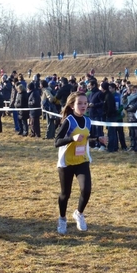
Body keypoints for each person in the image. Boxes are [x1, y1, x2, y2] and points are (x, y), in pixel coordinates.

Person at [55, 91, 106, 235]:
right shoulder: (69, 120)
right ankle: (62, 218)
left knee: (86, 190)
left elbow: (85, 137)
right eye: (80, 103)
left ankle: (79, 213)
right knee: (65, 194)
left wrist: (98, 139)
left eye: (85, 103)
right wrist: (72, 138)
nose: (84, 106)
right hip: (67, 162)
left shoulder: (88, 120)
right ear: (72, 105)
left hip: (82, 160)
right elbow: (57, 142)